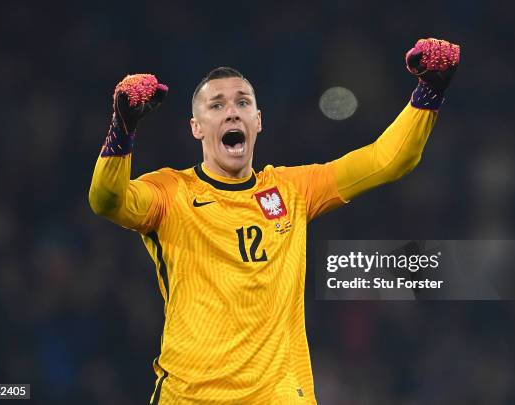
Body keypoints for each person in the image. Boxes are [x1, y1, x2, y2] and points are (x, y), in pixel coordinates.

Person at [89, 38, 460, 404]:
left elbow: (386, 160)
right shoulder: (170, 192)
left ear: (258, 121)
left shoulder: (292, 190)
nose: (232, 112)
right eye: (216, 105)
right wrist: (122, 130)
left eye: (243, 103)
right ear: (196, 127)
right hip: (189, 397)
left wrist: (429, 93)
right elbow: (107, 200)